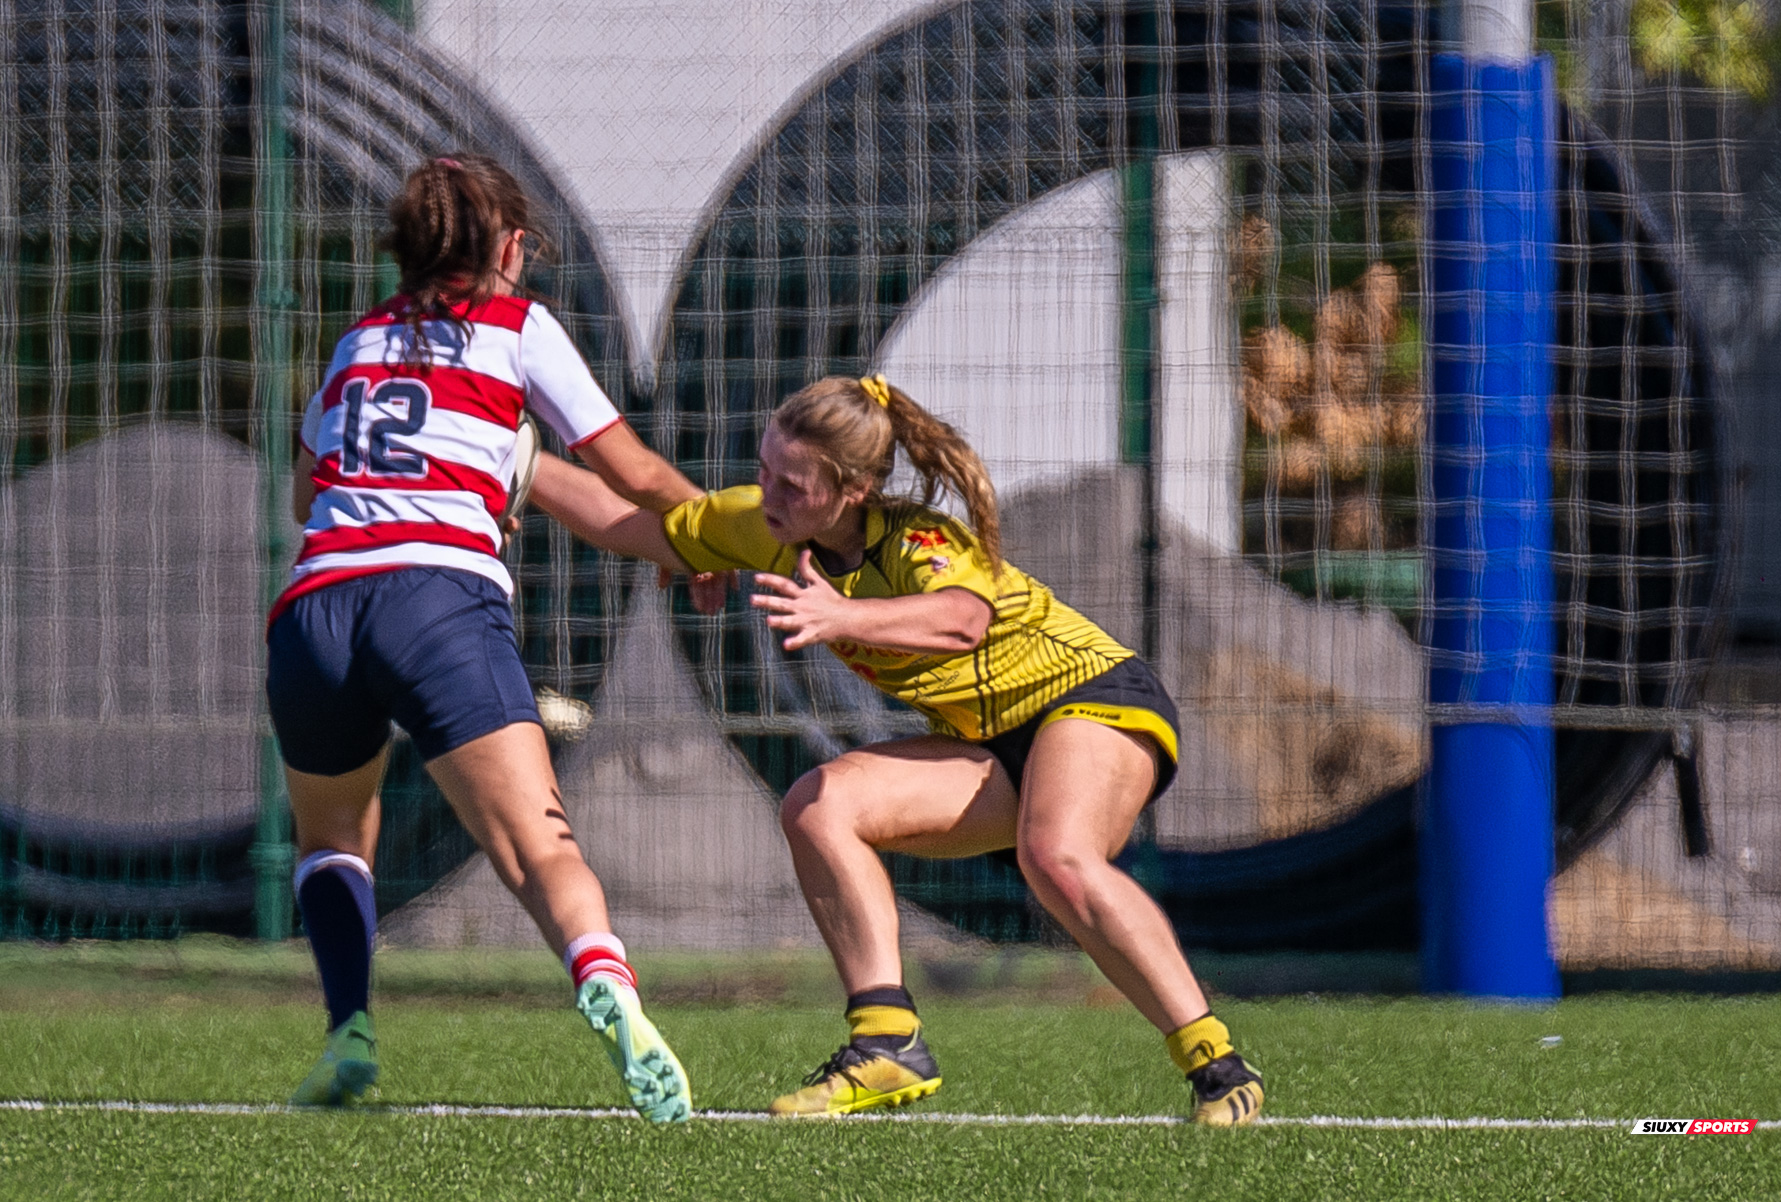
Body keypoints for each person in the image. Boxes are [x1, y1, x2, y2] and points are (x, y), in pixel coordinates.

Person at [528, 373, 1265, 1126]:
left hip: (1088, 697)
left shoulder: (920, 539)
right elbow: (636, 525)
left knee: (1056, 857)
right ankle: (887, 1044)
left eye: (793, 484)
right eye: (764, 471)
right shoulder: (769, 525)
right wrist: (513, 462)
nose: (769, 494)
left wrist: (844, 617)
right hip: (986, 739)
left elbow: (962, 620)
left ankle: (1218, 1066)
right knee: (818, 806)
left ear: (854, 490)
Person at [269, 152, 707, 1122]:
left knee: (332, 835)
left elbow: (308, 495)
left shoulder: (357, 341)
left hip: (318, 610)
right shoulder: (518, 328)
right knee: (536, 846)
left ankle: (350, 1033)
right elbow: (630, 473)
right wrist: (711, 537)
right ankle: (609, 986)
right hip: (436, 601)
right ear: (510, 247)